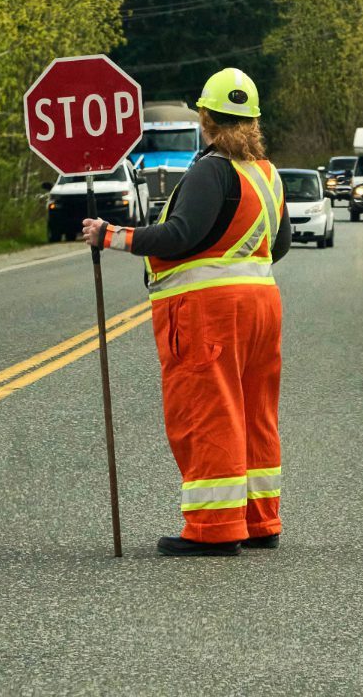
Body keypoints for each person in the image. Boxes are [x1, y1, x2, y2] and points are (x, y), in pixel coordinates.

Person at [82, 68, 291, 557]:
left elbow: (179, 235)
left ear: (207, 119)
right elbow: (279, 244)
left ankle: (214, 530)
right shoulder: (266, 173)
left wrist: (114, 236)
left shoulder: (210, 170)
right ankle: (260, 519)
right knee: (255, 410)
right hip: (262, 305)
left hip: (210, 313)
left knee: (208, 411)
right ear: (253, 120)